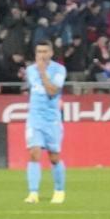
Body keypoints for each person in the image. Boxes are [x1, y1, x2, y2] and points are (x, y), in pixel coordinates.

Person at [24, 39, 66, 204]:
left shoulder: (59, 69)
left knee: (54, 157)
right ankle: (33, 193)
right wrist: (39, 71)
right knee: (34, 153)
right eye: (38, 52)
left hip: (52, 119)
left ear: (51, 53)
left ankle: (59, 190)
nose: (41, 55)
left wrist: (42, 73)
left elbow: (52, 91)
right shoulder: (30, 70)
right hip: (35, 118)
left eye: (44, 52)